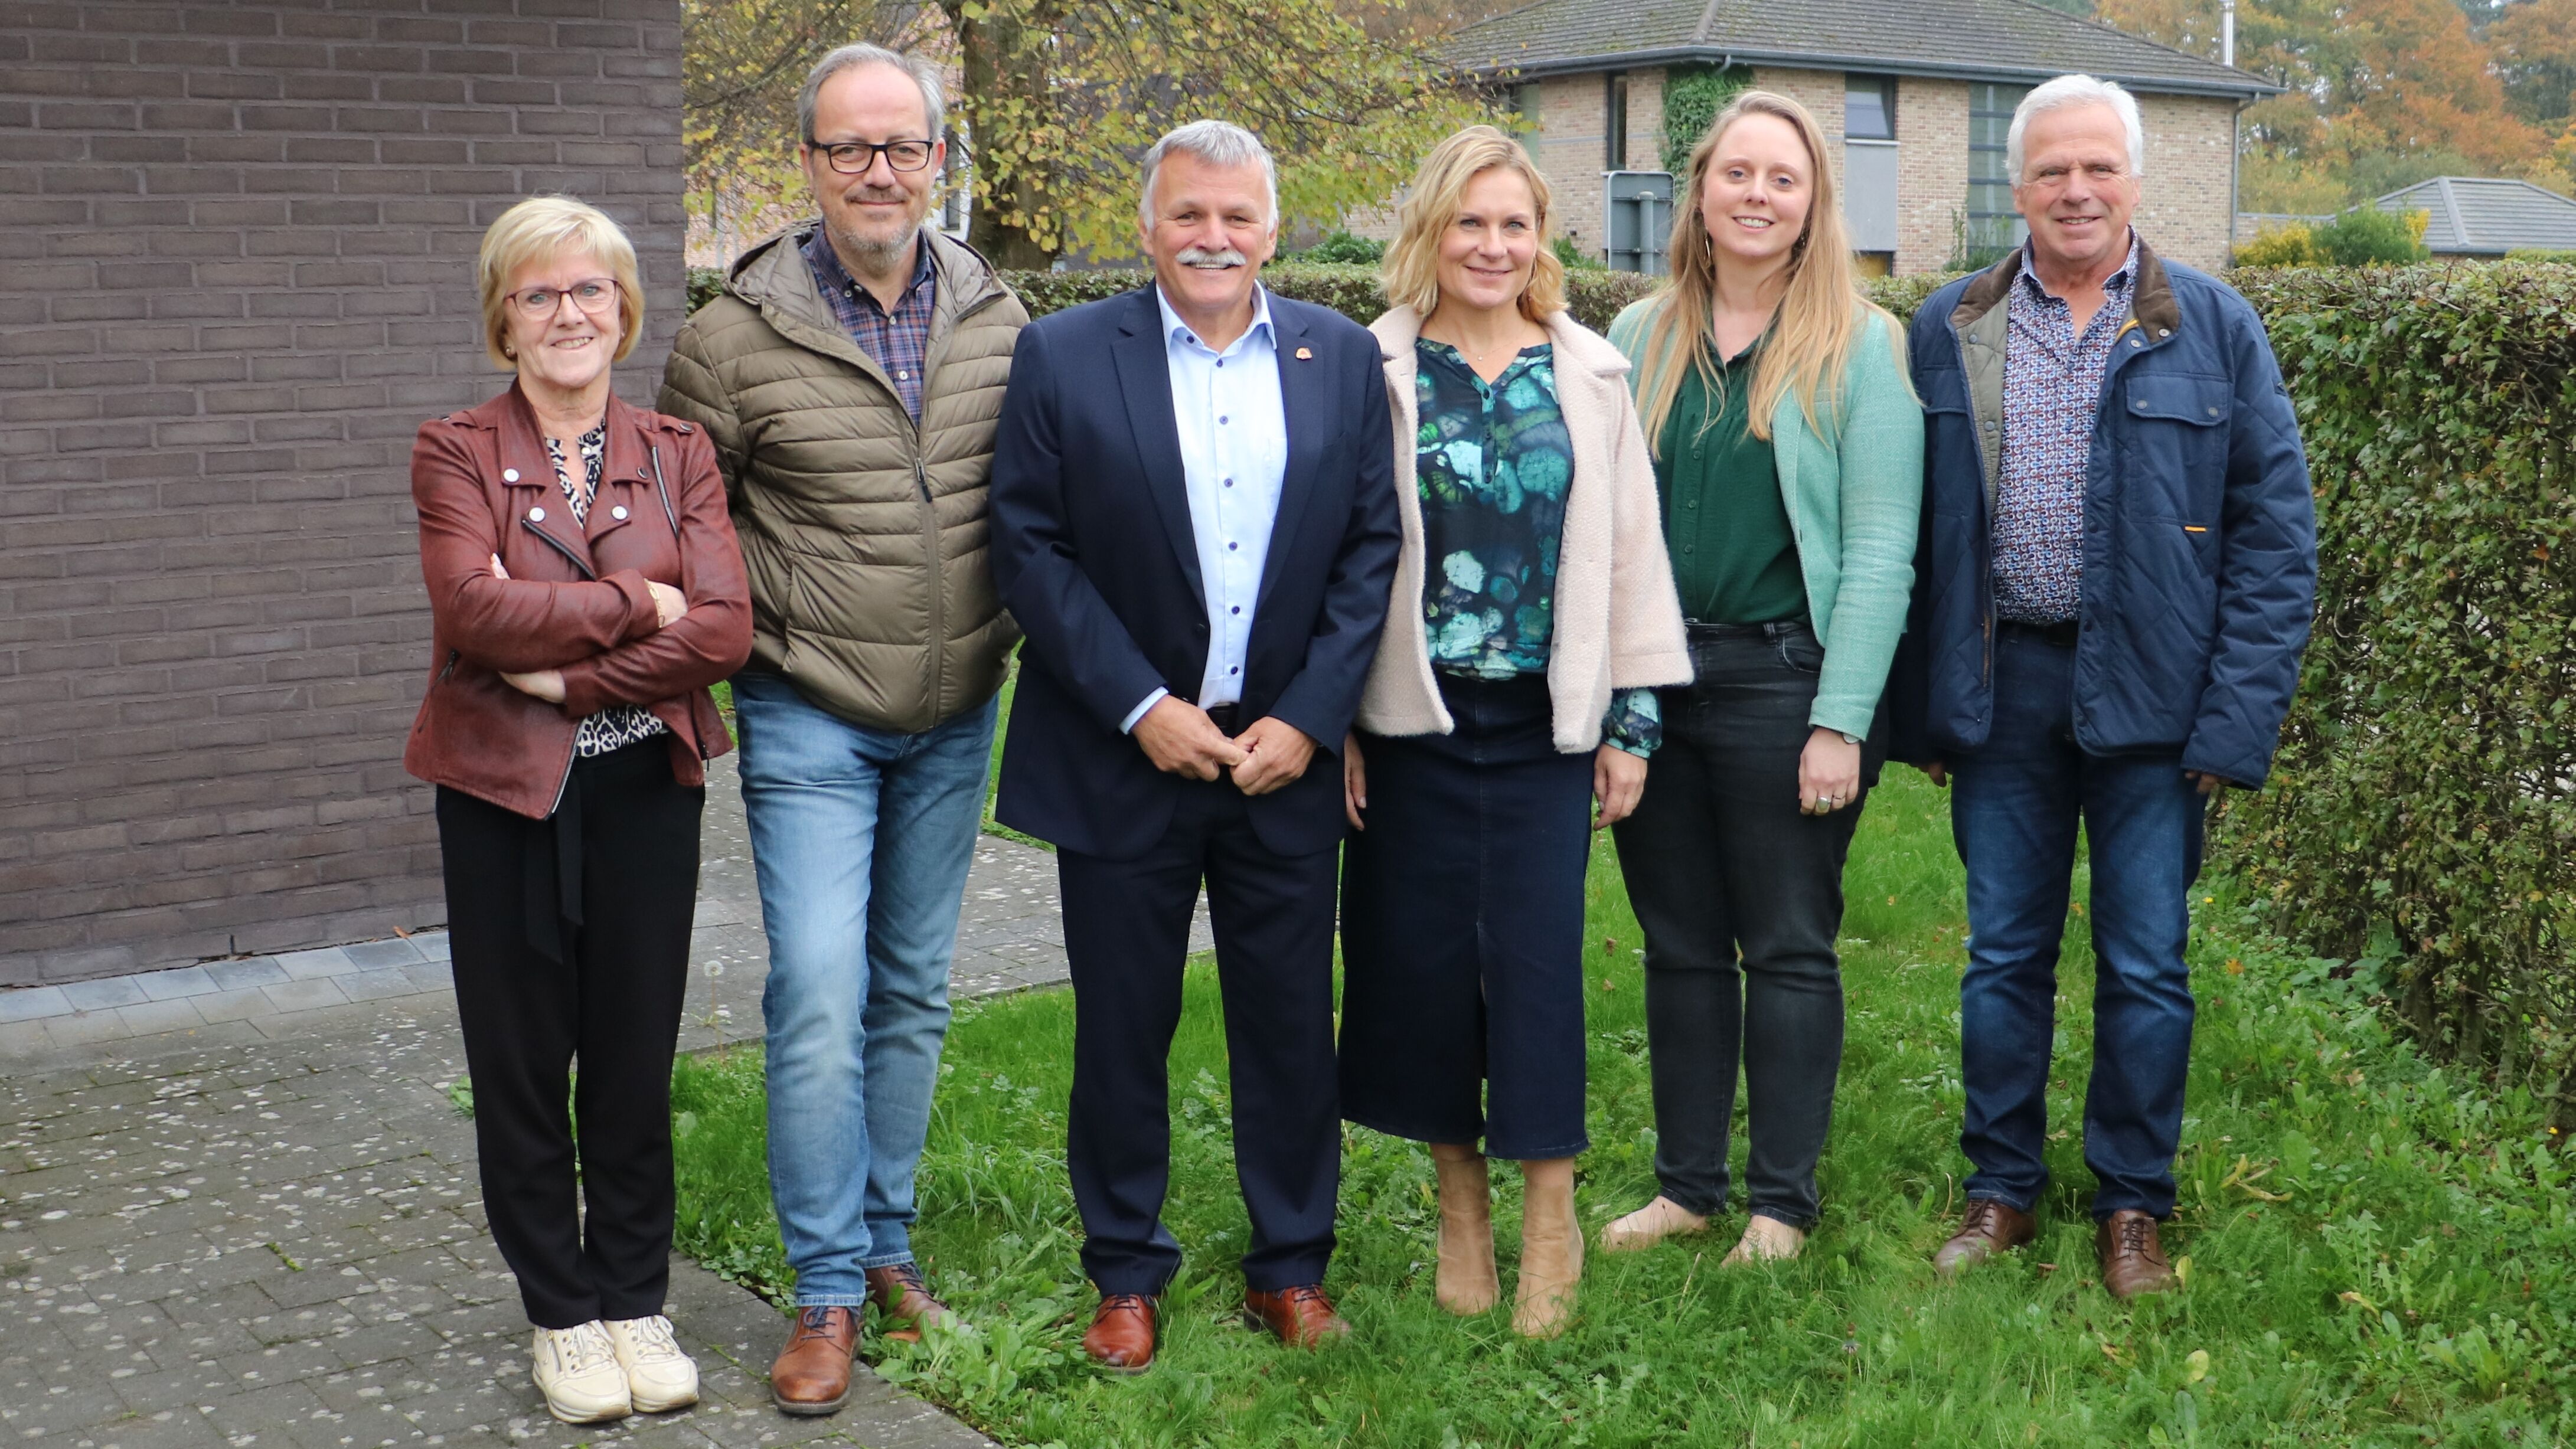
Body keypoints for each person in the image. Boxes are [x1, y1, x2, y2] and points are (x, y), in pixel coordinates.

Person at [1889, 74, 2316, 1298]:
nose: (2075, 190)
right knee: (2002, 957)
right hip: (2007, 686)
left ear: (2135, 178)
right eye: (2051, 170)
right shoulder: (1951, 324)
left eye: (2098, 167)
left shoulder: (2213, 325)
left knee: (2146, 964)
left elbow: (2276, 538)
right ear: (2016, 186)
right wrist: (1929, 705)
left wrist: (2231, 722)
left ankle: (2134, 1204)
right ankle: (2001, 1189)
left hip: (2157, 700)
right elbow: (1912, 531)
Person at [988, 120, 1401, 1373]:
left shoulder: (1338, 357)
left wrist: (1312, 717)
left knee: (1289, 1022)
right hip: (1125, 753)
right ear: (1147, 227)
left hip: (1281, 759)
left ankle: (1292, 1266)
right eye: (1188, 215)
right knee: (1123, 1026)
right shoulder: (1063, 354)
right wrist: (1139, 704)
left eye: (1235, 217)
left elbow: (1369, 548)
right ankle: (1125, 1272)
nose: (1212, 238)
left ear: (1271, 230)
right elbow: (1028, 546)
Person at [655, 44, 1029, 1414]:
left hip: (956, 712)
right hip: (810, 707)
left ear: (938, 158)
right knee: (818, 987)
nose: (879, 170)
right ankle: (822, 1289)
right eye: (849, 147)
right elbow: (687, 533)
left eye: (902, 146)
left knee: (912, 988)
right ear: (809, 165)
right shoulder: (729, 338)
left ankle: (885, 1248)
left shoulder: (999, 316)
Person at [1336, 126, 1688, 1339]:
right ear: (1430, 231)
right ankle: (1461, 1214)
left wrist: (1631, 722)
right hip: (1411, 720)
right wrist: (1337, 723)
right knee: (1424, 970)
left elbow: (1633, 553)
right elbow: (1335, 553)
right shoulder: (1372, 367)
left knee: (1536, 971)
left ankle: (1550, 1215)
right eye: (1469, 223)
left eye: (1514, 225)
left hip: (1548, 722)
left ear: (1541, 238)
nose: (1492, 246)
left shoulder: (1587, 371)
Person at [406, 195, 752, 1425]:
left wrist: (567, 672)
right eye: (540, 292)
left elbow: (727, 627)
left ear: (625, 310)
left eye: (590, 290)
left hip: (644, 788)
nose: (568, 314)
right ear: (505, 316)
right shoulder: (455, 449)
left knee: (630, 1055)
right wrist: (640, 602)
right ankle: (561, 1312)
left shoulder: (678, 450)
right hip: (502, 794)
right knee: (518, 1060)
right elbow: (473, 611)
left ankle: (633, 1299)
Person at [1595, 91, 1924, 1265]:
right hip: (1655, 679)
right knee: (1677, 942)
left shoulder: (1862, 346)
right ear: (1699, 191)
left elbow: (1882, 549)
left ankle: (1780, 1204)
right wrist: (1610, 700)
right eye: (1736, 172)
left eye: (1782, 178)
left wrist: (1843, 720)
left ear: (1813, 203)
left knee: (1786, 943)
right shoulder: (1638, 337)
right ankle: (1686, 1189)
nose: (1756, 195)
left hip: (1786, 681)